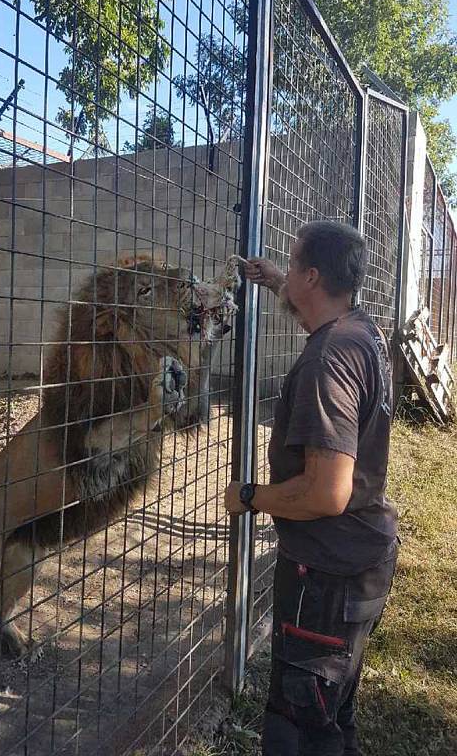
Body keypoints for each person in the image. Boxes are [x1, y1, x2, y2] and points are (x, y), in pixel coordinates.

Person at [225, 220, 399, 756]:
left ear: (315, 274)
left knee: (299, 725)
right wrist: (278, 280)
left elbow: (326, 494)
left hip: (325, 575)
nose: (287, 266)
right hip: (360, 560)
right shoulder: (360, 328)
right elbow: (317, 311)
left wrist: (251, 498)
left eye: (294, 261)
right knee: (334, 711)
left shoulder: (328, 359)